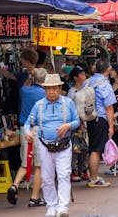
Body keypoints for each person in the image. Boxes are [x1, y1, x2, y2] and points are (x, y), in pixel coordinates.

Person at [24, 73, 79, 217]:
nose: (51, 92)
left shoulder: (68, 103)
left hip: (64, 145)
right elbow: (28, 123)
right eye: (48, 89)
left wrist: (68, 126)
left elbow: (77, 121)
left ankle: (62, 206)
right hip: (45, 145)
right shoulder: (39, 105)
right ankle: (51, 205)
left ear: (60, 88)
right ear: (44, 89)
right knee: (47, 177)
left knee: (63, 175)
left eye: (54, 88)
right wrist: (27, 132)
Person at [7, 68, 47, 207]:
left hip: (25, 130)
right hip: (37, 130)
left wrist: (31, 75)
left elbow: (26, 84)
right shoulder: (44, 94)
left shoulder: (24, 91)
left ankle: (14, 186)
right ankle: (34, 197)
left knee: (25, 163)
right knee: (38, 166)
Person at [85, 58, 117, 188]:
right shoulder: (105, 84)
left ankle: (92, 175)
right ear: (108, 69)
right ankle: (94, 178)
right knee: (96, 150)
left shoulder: (88, 82)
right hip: (100, 119)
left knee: (92, 147)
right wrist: (111, 126)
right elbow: (109, 107)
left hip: (90, 119)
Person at [67, 66, 90, 183]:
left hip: (85, 123)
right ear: (75, 78)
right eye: (81, 75)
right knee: (75, 148)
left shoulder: (86, 89)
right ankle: (74, 171)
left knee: (84, 148)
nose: (84, 76)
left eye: (84, 74)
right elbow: (69, 109)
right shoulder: (72, 92)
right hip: (75, 124)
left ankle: (84, 170)